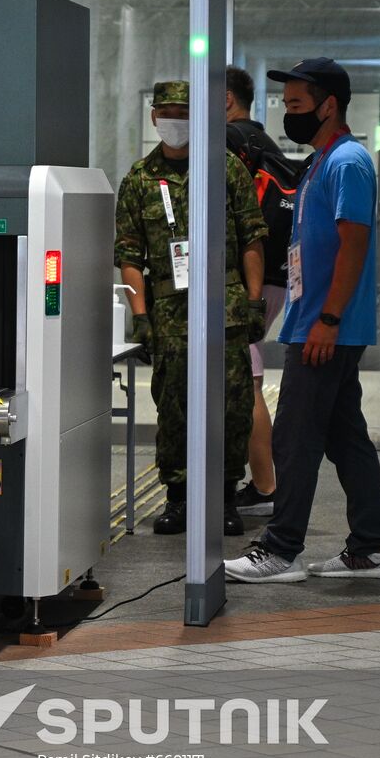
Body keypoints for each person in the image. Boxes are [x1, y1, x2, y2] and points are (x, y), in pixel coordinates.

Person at [225, 58, 380, 583]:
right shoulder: (322, 160)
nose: (287, 114)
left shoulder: (347, 162)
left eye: (297, 105)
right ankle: (372, 546)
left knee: (294, 439)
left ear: (330, 105)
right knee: (346, 439)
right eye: (285, 104)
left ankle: (280, 550)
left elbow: (356, 242)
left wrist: (327, 318)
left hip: (326, 327)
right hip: (318, 322)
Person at [115, 80, 267, 537]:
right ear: (155, 117)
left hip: (225, 306)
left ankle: (223, 496)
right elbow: (129, 254)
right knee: (175, 408)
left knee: (231, 405)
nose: (175, 120)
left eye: (184, 112)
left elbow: (252, 239)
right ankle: (179, 498)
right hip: (168, 311)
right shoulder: (139, 178)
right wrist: (140, 315)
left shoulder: (225, 169)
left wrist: (255, 301)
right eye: (168, 112)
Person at [224, 65, 298, 518]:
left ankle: (267, 486)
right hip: (272, 277)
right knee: (245, 378)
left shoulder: (231, 141)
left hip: (246, 281)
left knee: (245, 386)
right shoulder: (263, 142)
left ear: (225, 99)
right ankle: (265, 485)